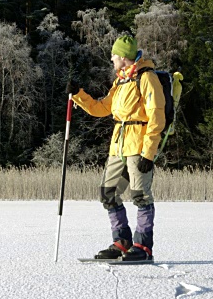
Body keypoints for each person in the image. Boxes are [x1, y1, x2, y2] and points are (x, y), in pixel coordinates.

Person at [67, 35, 165, 261]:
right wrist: (78, 95)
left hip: (139, 146)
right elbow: (102, 109)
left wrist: (148, 153)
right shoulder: (120, 81)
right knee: (108, 192)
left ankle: (143, 247)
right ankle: (122, 242)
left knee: (140, 195)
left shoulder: (146, 78)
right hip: (118, 145)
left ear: (123, 57)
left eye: (113, 55)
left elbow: (156, 117)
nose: (111, 58)